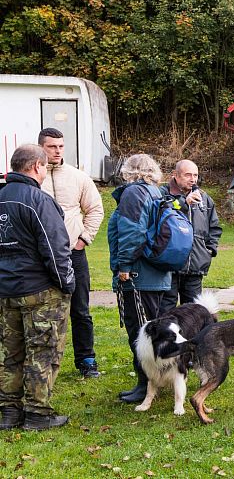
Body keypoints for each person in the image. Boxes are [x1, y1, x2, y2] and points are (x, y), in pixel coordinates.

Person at [0, 144, 75, 430]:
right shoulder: (37, 200)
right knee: (42, 351)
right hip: (39, 291)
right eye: (44, 167)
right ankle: (37, 412)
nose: (45, 173)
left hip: (6, 291)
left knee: (10, 352)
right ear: (36, 167)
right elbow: (56, 249)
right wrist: (67, 284)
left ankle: (8, 411)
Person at [38, 128, 105, 378]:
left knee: (80, 309)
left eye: (61, 146)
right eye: (51, 146)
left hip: (74, 254)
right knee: (44, 310)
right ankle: (44, 361)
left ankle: (87, 360)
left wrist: (83, 239)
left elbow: (95, 209)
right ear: (41, 148)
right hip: (42, 256)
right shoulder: (35, 177)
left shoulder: (78, 177)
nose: (57, 151)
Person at [107, 154, 172, 404]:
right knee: (153, 330)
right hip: (156, 274)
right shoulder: (156, 192)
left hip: (139, 276)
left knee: (141, 333)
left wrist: (124, 266)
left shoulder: (134, 193)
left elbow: (132, 232)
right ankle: (157, 380)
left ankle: (146, 385)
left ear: (129, 171)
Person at [159, 159, 222, 313]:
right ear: (175, 175)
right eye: (188, 175)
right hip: (169, 265)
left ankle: (191, 338)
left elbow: (214, 227)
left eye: (195, 175)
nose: (193, 179)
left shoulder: (204, 198)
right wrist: (183, 203)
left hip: (195, 265)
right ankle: (167, 338)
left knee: (194, 314)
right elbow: (161, 216)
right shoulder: (163, 194)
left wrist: (209, 250)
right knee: (166, 313)